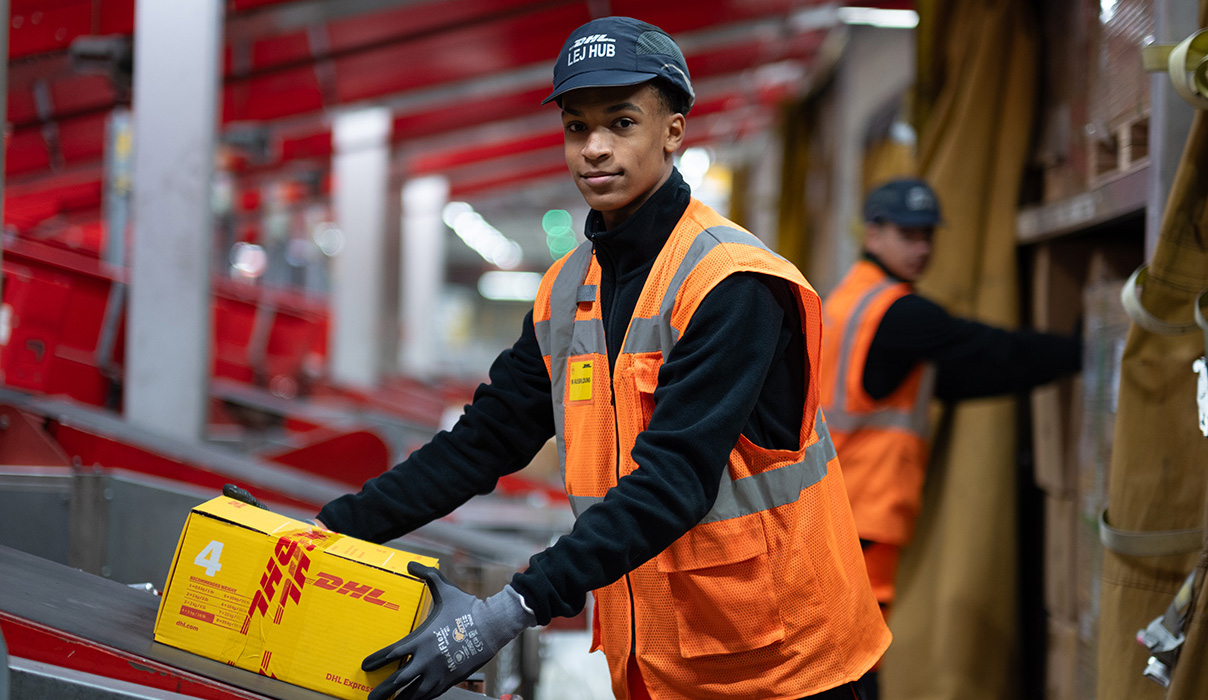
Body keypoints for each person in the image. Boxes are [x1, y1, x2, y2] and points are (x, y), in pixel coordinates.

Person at [312, 16, 888, 700]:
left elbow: (674, 479)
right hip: (659, 663)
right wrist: (324, 533)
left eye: (621, 123)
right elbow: (484, 442)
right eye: (576, 127)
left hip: (781, 665)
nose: (595, 148)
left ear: (673, 130)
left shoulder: (731, 283)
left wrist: (508, 610)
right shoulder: (565, 290)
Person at [819, 177, 1081, 691]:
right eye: (908, 234)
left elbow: (963, 378)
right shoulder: (899, 312)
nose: (922, 248)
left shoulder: (851, 301)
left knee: (840, 651)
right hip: (863, 511)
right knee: (854, 662)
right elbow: (988, 349)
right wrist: (1081, 351)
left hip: (835, 507)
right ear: (873, 233)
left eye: (928, 236)